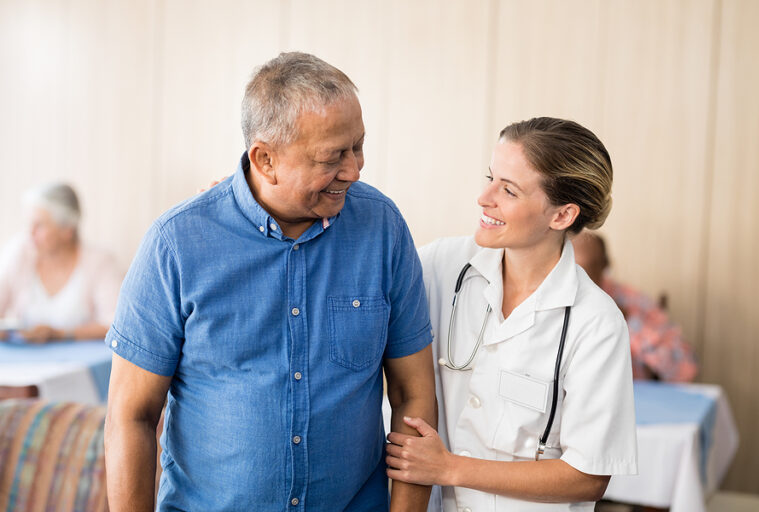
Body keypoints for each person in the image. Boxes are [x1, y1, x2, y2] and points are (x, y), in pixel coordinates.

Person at [104, 52, 437, 512]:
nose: (355, 170)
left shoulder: (382, 228)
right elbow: (131, 416)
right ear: (266, 159)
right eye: (332, 156)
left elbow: (411, 395)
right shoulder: (176, 244)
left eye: (358, 146)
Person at [385, 118, 637, 511]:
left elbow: (587, 477)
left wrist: (449, 468)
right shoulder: (442, 265)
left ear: (562, 215)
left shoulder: (596, 323)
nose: (484, 197)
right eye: (491, 178)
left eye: (509, 190)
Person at [0, 183, 122, 342]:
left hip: (81, 362)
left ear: (67, 230)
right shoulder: (19, 252)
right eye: (29, 224)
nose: (30, 232)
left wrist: (60, 334)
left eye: (40, 225)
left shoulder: (101, 262)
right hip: (22, 360)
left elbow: (115, 324)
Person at [571, 231, 698, 382]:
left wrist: (629, 322)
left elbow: (685, 369)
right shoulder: (548, 303)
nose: (578, 279)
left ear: (605, 265)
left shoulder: (634, 303)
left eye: (588, 269)